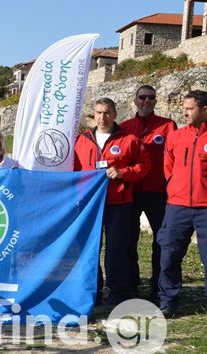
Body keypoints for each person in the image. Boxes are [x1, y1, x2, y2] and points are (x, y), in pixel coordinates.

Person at [73, 97, 150, 306]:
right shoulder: (82, 139)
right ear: (93, 115)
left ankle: (118, 293)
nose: (102, 117)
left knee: (117, 250)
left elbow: (144, 166)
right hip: (90, 205)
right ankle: (92, 292)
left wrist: (123, 172)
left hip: (119, 203)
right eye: (98, 113)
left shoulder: (129, 139)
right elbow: (74, 171)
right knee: (90, 249)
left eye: (107, 113)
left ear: (115, 115)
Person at [119, 85, 178, 299]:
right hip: (131, 192)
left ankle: (158, 286)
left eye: (151, 98)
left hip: (158, 192)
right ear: (135, 100)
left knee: (162, 241)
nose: (146, 101)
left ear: (155, 101)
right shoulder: (125, 127)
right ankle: (131, 284)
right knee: (128, 240)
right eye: (142, 97)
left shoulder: (168, 126)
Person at [157, 90, 207, 317]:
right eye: (184, 108)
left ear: (204, 110)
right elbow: (168, 166)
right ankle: (168, 300)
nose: (184, 112)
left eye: (190, 108)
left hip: (205, 207)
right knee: (169, 255)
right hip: (177, 207)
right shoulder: (176, 136)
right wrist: (173, 187)